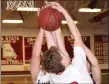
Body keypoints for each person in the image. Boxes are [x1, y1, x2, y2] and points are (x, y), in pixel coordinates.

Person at [30, 1, 94, 84]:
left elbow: (52, 47)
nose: (62, 51)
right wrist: (63, 11)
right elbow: (77, 36)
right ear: (63, 62)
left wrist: (44, 21)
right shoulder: (77, 70)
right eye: (61, 53)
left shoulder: (54, 75)